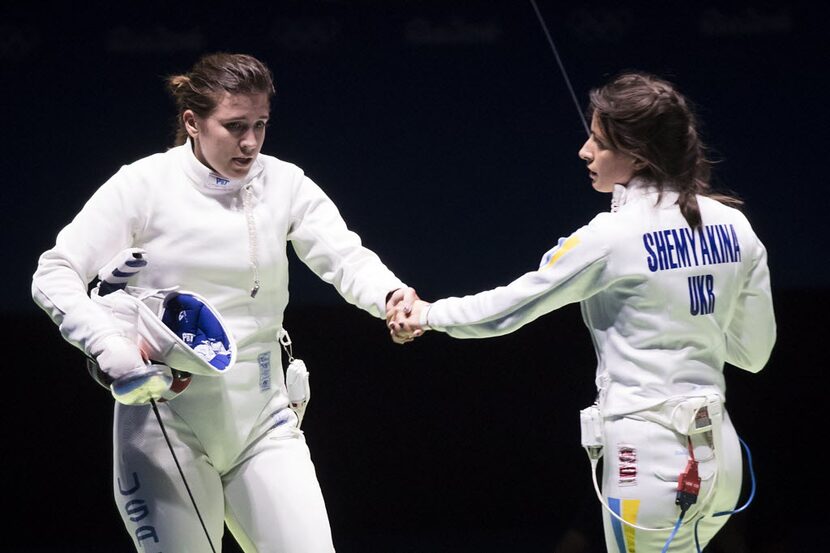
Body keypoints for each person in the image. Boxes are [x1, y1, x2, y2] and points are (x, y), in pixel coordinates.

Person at [32, 52, 419, 552]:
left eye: (261, 125)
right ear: (192, 122)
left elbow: (344, 255)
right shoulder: (143, 185)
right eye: (235, 126)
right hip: (164, 424)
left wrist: (389, 294)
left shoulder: (284, 183)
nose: (251, 142)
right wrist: (107, 343)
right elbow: (54, 273)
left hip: (264, 419)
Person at [388, 71, 775, 552]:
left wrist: (426, 314)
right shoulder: (735, 225)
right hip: (722, 459)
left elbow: (509, 309)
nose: (585, 152)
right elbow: (753, 353)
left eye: (598, 142)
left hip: (645, 461)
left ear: (638, 154)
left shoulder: (610, 236)